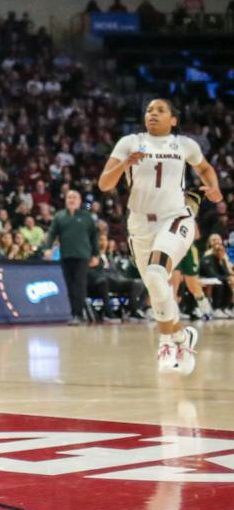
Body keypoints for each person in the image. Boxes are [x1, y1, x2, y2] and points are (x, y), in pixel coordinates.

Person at [98, 98, 221, 374]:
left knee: (156, 273)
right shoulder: (129, 142)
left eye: (160, 110)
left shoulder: (185, 145)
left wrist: (213, 188)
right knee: (156, 288)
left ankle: (169, 341)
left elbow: (204, 169)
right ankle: (178, 337)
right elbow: (105, 183)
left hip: (175, 217)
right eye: (149, 110)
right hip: (140, 224)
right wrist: (125, 163)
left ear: (173, 120)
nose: (153, 114)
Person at [43, 189, 96, 323]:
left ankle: (80, 313)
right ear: (66, 200)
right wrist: (47, 248)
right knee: (70, 285)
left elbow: (94, 237)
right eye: (69, 198)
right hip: (66, 255)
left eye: (74, 198)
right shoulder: (60, 216)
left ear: (79, 201)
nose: (72, 200)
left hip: (82, 255)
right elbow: (51, 233)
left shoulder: (86, 217)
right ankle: (75, 314)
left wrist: (96, 255)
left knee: (80, 285)